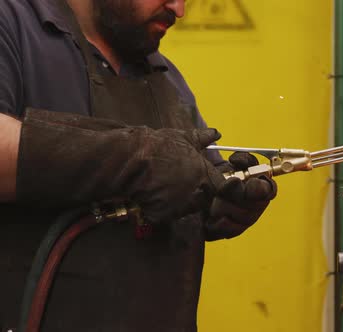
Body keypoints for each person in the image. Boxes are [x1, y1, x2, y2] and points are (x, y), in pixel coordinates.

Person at [0, 0, 277, 331]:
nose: (179, 9)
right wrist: (136, 158)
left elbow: (193, 177)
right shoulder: (14, 25)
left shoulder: (167, 80)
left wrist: (220, 203)